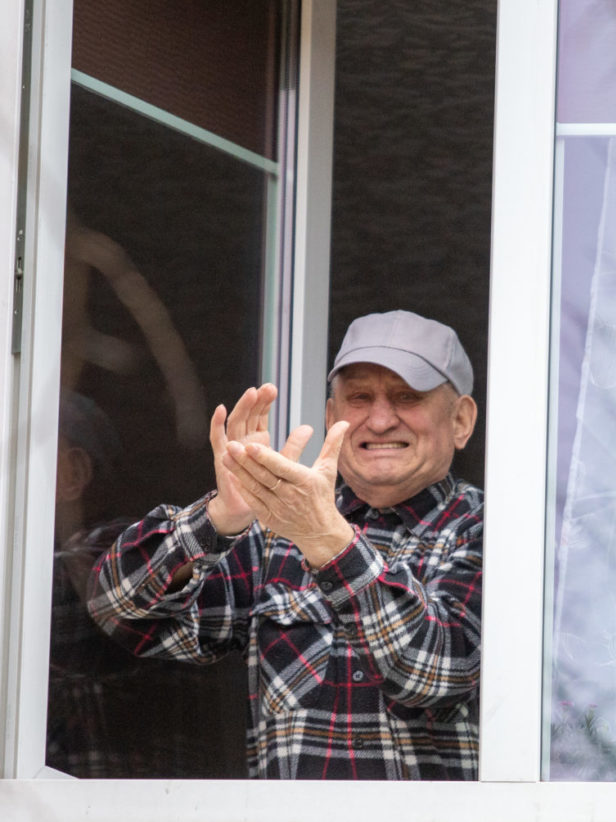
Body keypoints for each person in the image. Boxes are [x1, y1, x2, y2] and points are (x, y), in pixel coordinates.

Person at [88, 310, 483, 780]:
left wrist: (327, 541)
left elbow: (436, 672)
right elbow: (118, 611)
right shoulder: (274, 533)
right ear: (332, 417)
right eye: (360, 398)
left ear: (461, 420)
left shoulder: (495, 530)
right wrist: (222, 516)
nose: (379, 420)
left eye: (407, 397)